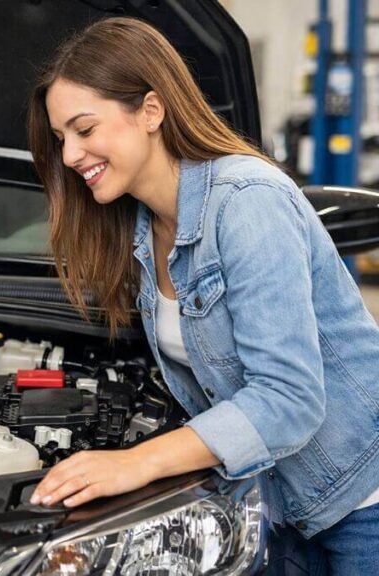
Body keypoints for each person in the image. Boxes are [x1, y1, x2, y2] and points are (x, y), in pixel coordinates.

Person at [26, 17, 379, 573]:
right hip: (275, 501)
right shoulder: (142, 228)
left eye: (84, 128)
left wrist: (137, 463)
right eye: (60, 138)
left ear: (150, 110)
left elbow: (289, 399)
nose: (70, 155)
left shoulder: (246, 201)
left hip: (361, 500)